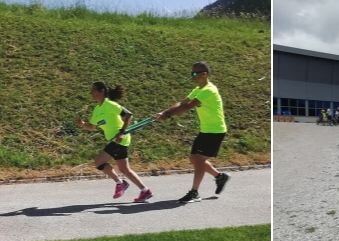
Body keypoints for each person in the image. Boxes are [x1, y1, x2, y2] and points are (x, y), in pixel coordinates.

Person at [154, 61, 230, 202]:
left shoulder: (208, 90)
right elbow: (182, 103)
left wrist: (167, 115)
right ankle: (220, 177)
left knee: (199, 160)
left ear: (204, 74)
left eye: (195, 74)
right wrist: (165, 112)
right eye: (192, 73)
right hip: (206, 130)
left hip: (215, 130)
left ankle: (194, 192)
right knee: (194, 159)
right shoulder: (198, 89)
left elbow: (187, 107)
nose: (193, 76)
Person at [77, 82, 153, 203]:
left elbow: (128, 115)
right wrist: (83, 125)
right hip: (115, 140)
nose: (91, 93)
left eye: (93, 91)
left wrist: (122, 132)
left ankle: (120, 183)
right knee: (124, 169)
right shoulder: (97, 109)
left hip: (119, 139)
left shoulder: (110, 105)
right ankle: (145, 191)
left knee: (99, 162)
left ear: (101, 91)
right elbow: (92, 127)